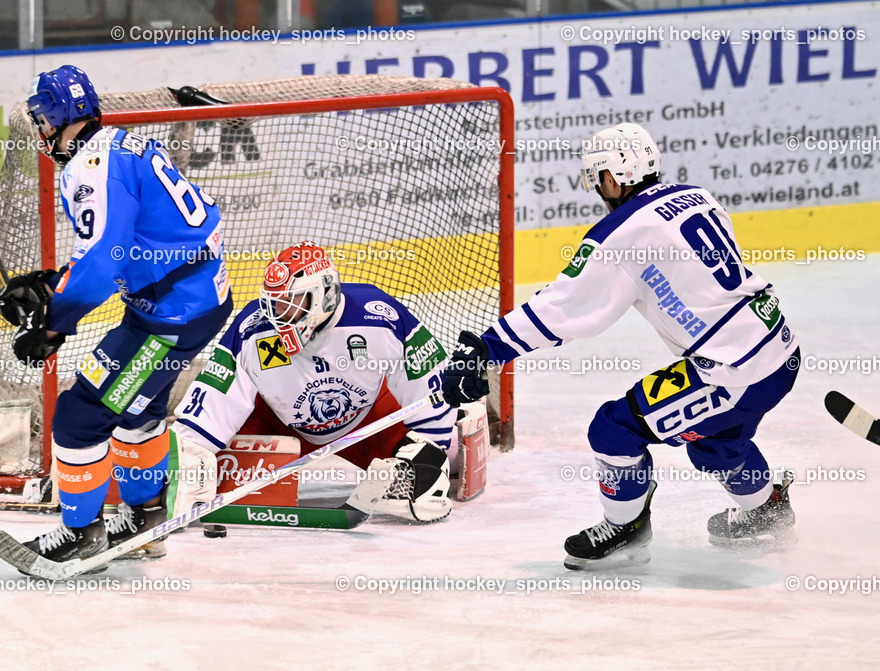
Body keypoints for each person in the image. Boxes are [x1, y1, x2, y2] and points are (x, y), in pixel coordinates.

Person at [442, 123, 800, 569]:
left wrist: (488, 349)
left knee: (615, 430)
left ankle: (626, 531)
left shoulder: (621, 232)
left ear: (611, 178)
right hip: (779, 348)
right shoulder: (697, 196)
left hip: (734, 371)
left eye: (598, 179)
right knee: (716, 440)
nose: (599, 190)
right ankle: (765, 510)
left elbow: (566, 305)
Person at [0, 65, 232, 564]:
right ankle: (145, 519)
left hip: (169, 316)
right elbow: (127, 247)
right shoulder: (124, 143)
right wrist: (53, 283)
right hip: (196, 299)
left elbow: (105, 262)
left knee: (80, 418)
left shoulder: (90, 167)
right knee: (138, 411)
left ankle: (81, 536)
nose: (41, 130)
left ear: (59, 117)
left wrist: (54, 324)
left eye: (44, 119)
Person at [170, 241, 457, 523]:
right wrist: (185, 456)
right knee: (197, 471)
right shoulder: (253, 330)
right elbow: (215, 395)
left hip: (367, 423)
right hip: (278, 427)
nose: (280, 314)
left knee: (437, 469)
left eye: (293, 301)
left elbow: (427, 377)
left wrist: (433, 446)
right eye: (275, 303)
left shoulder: (378, 316)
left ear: (325, 294)